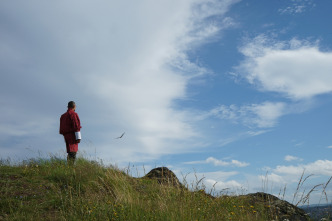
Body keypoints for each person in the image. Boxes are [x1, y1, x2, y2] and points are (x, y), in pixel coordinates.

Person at [59, 101, 82, 166]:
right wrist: (78, 137)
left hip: (66, 135)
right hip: (72, 135)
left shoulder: (63, 116)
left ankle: (69, 167)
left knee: (70, 151)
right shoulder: (73, 114)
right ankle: (71, 167)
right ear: (74, 106)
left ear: (68, 107)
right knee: (73, 151)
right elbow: (76, 126)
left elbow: (62, 128)